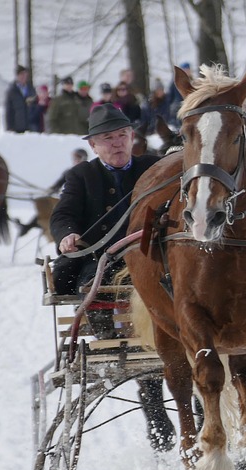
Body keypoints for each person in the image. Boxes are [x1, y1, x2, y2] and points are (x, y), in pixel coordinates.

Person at [48, 105, 174, 452]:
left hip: (151, 258)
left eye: (122, 136)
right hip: (100, 260)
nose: (117, 144)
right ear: (93, 145)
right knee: (99, 288)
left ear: (132, 137)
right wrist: (67, 235)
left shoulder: (154, 167)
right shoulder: (81, 177)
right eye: (107, 139)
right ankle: (124, 356)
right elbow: (63, 215)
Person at [4, 65, 36, 133]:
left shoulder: (31, 89)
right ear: (17, 76)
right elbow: (9, 111)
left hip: (31, 126)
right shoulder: (12, 91)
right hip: (17, 127)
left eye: (25, 74)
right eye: (21, 74)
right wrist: (9, 127)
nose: (23, 77)